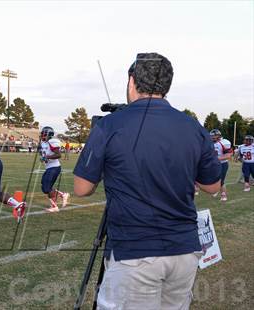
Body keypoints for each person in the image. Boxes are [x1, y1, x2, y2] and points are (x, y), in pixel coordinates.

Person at [73, 53, 221, 310]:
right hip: (184, 250)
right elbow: (213, 186)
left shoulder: (111, 125)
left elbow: (82, 188)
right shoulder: (193, 126)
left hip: (135, 251)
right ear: (166, 85)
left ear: (132, 81)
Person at [39, 126, 69, 212]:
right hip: (49, 168)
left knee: (46, 188)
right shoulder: (43, 143)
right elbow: (45, 155)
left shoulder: (52, 141)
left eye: (44, 134)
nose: (42, 135)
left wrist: (47, 157)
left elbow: (58, 155)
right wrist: (43, 158)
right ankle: (57, 202)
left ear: (49, 135)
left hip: (54, 168)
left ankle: (59, 199)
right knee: (45, 187)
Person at [210, 129, 233, 201]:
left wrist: (217, 159)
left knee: (221, 180)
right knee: (213, 179)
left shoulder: (224, 142)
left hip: (222, 164)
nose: (212, 138)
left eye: (214, 136)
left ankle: (224, 195)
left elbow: (229, 155)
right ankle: (216, 190)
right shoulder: (209, 142)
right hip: (213, 164)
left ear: (219, 136)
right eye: (211, 136)